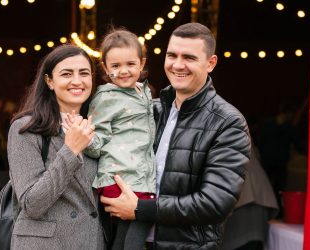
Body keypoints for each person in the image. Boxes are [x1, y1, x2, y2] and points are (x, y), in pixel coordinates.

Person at [100, 22, 251, 249]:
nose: (178, 65)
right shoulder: (151, 110)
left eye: (189, 57)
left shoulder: (228, 122)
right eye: (172, 55)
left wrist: (141, 209)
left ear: (211, 63)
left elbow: (215, 202)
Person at [7, 44, 105, 250]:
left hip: (89, 242)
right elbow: (32, 204)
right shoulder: (25, 129)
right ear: (49, 81)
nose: (77, 81)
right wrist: (70, 151)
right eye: (66, 73)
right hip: (44, 244)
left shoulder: (99, 128)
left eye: (84, 73)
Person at [83, 28, 156, 250]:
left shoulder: (144, 93)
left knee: (124, 237)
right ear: (105, 68)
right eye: (115, 66)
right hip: (123, 178)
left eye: (130, 64)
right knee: (140, 226)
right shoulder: (107, 98)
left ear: (141, 64)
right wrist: (85, 139)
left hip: (137, 174)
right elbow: (98, 140)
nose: (124, 71)